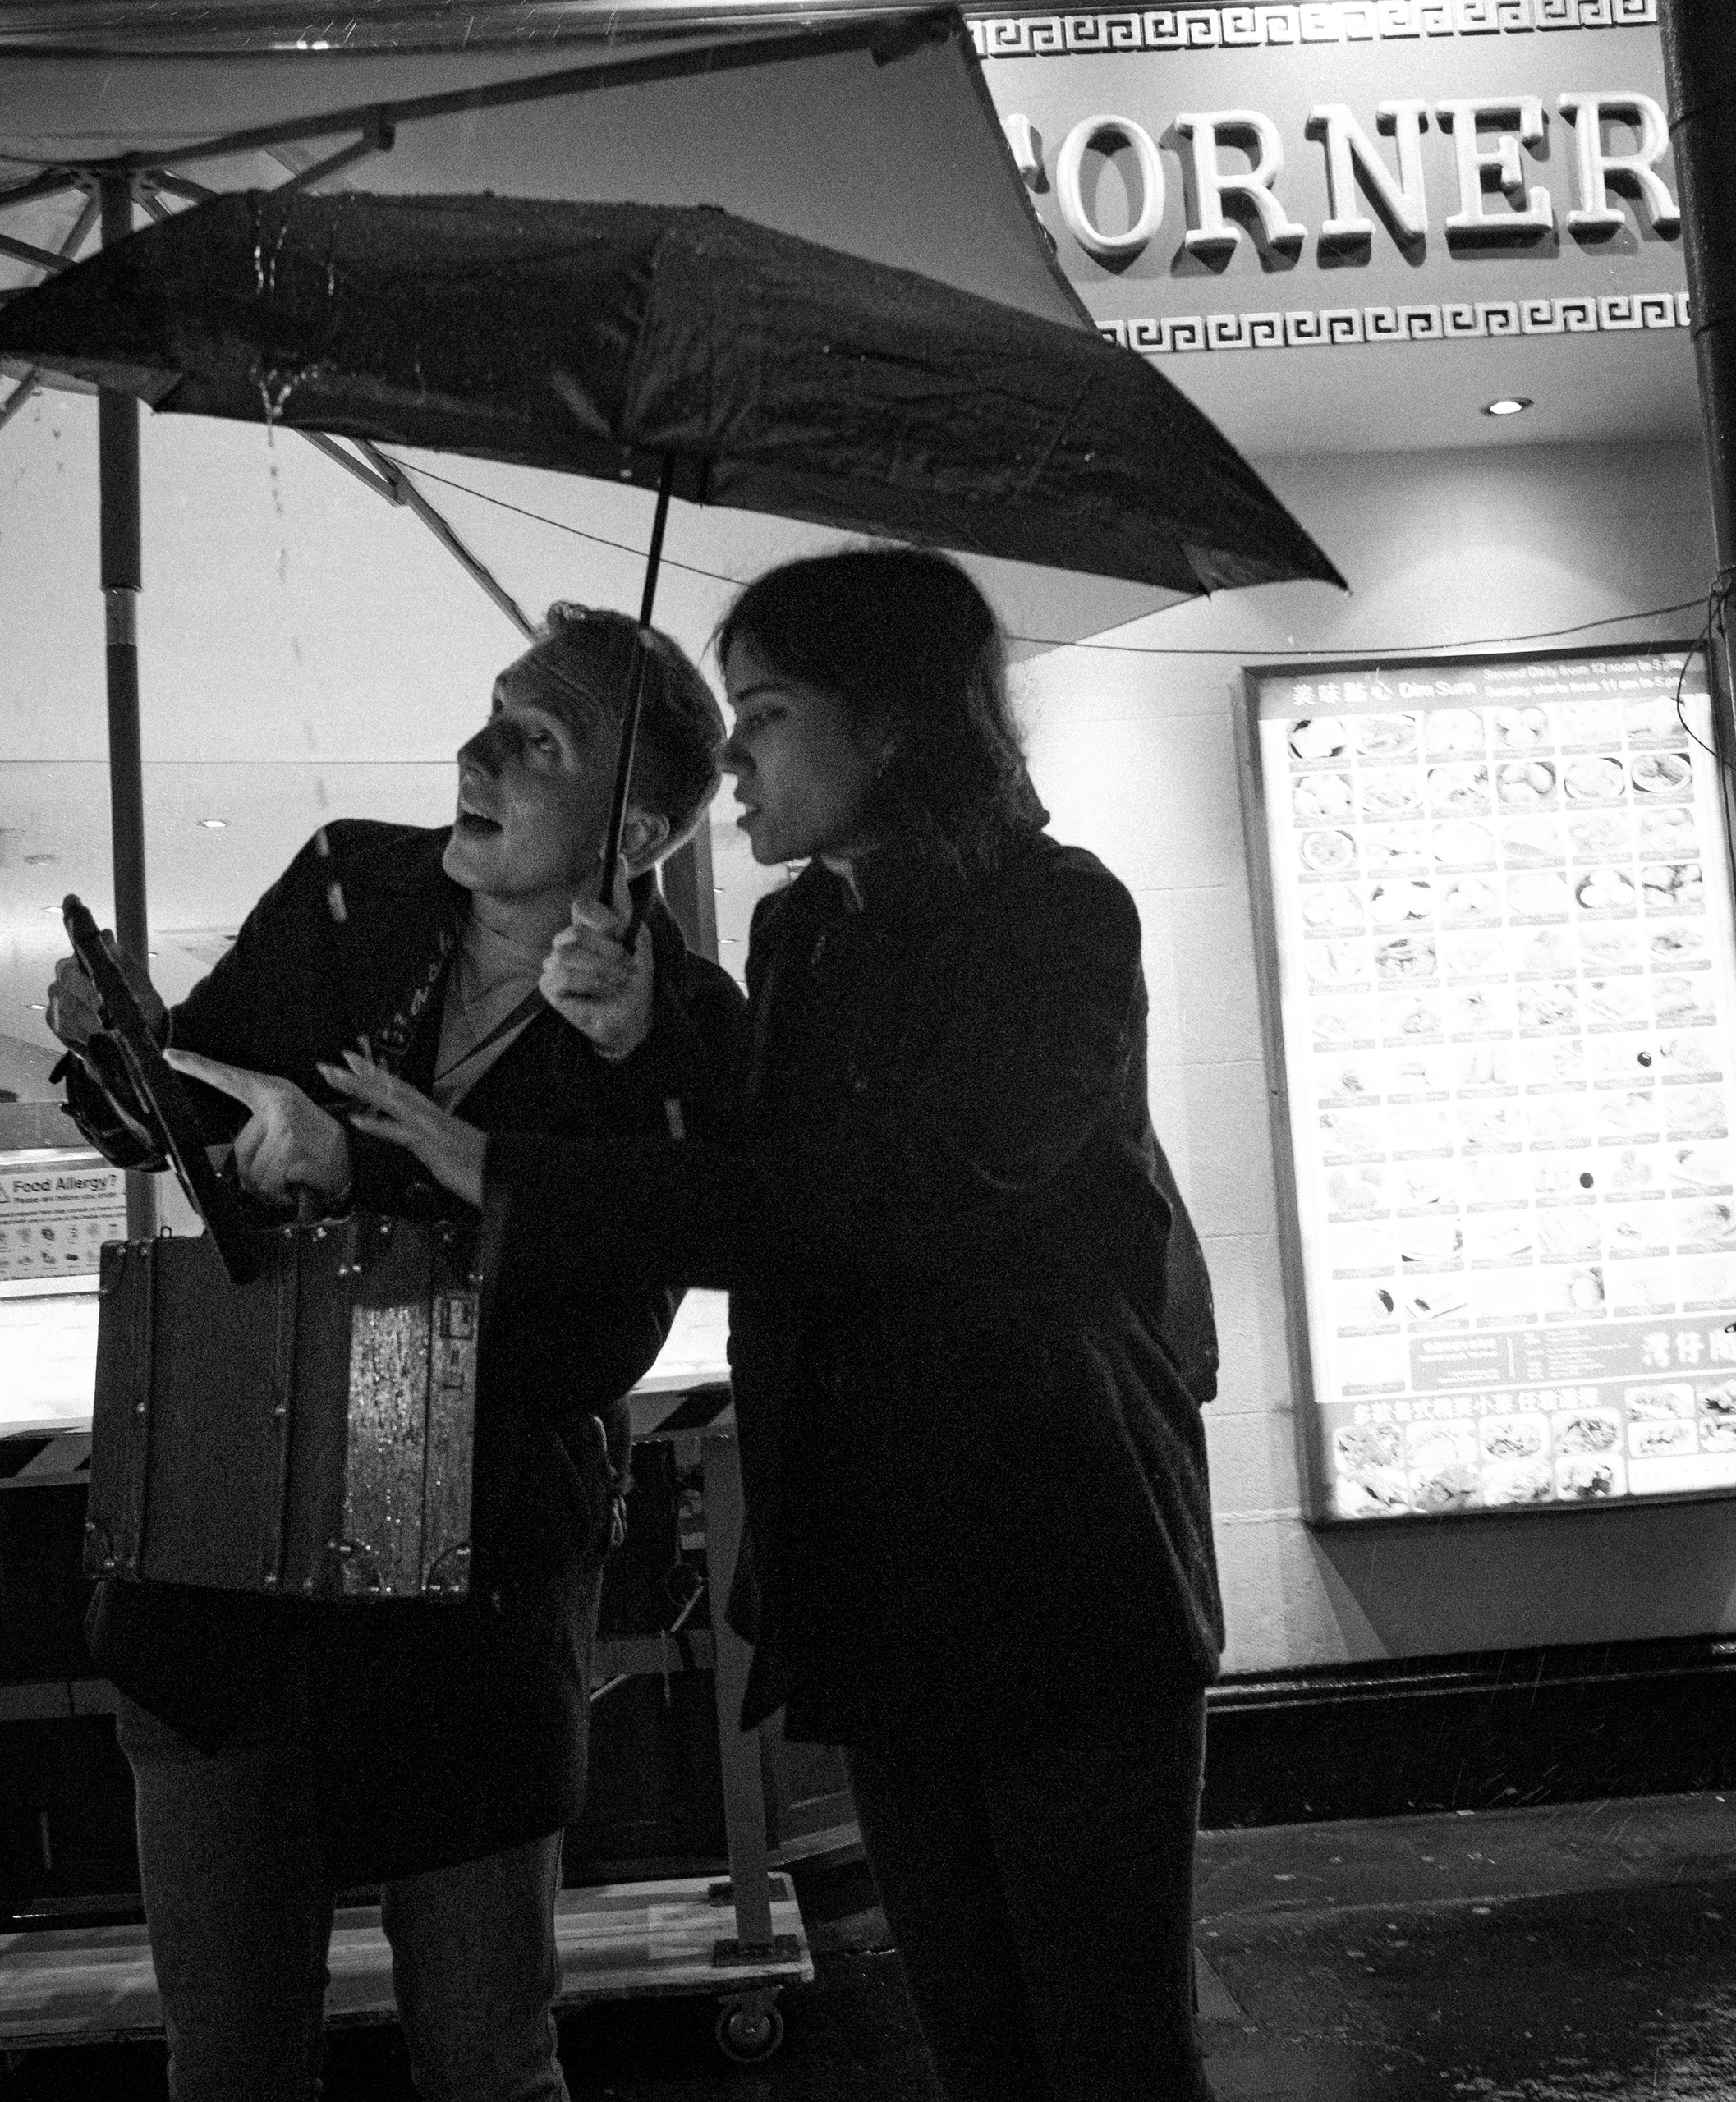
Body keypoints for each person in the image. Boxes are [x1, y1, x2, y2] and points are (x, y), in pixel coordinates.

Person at [331, 548, 1224, 2102]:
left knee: (1110, 2054)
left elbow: (905, 1199)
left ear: (892, 724)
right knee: (977, 2045)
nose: (733, 757)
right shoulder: (803, 930)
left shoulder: (1060, 916)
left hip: (1058, 1558)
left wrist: (515, 1175)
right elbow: (759, 1166)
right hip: (879, 1570)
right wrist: (639, 1038)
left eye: (767, 712)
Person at [45, 604, 745, 2102]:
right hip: (228, 1551)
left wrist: (361, 1175)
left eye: (535, 741)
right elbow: (201, 1101)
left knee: (488, 2056)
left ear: (634, 831)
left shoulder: (680, 1030)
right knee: (228, 2065)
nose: (474, 754)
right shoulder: (349, 886)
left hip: (471, 1596)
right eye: (489, 712)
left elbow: (599, 1336)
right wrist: (127, 1058)